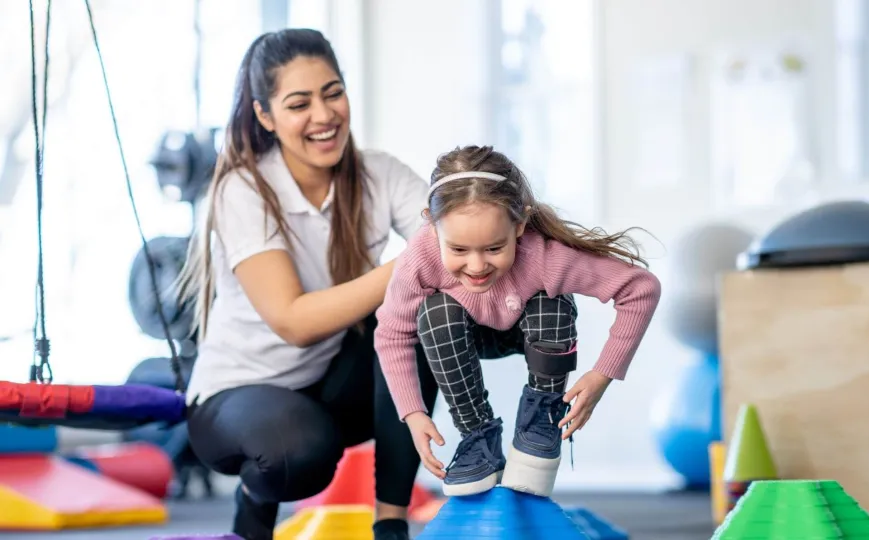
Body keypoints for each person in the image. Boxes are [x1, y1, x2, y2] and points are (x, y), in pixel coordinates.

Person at [176, 28, 439, 540]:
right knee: (299, 455)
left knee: (425, 318)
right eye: (299, 103)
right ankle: (255, 500)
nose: (324, 116)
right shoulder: (244, 189)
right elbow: (293, 321)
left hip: (327, 387)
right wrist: (413, 264)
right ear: (265, 116)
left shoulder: (380, 175)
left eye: (333, 92)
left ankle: (390, 523)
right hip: (234, 397)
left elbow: (454, 237)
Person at [373, 145, 662, 498]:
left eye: (494, 248)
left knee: (551, 301)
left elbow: (640, 288)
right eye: (460, 250)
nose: (477, 266)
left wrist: (602, 374)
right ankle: (477, 435)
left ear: (520, 225)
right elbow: (392, 334)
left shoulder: (543, 256)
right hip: (459, 336)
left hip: (531, 332)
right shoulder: (419, 258)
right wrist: (413, 414)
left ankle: (540, 423)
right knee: (434, 312)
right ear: (432, 227)